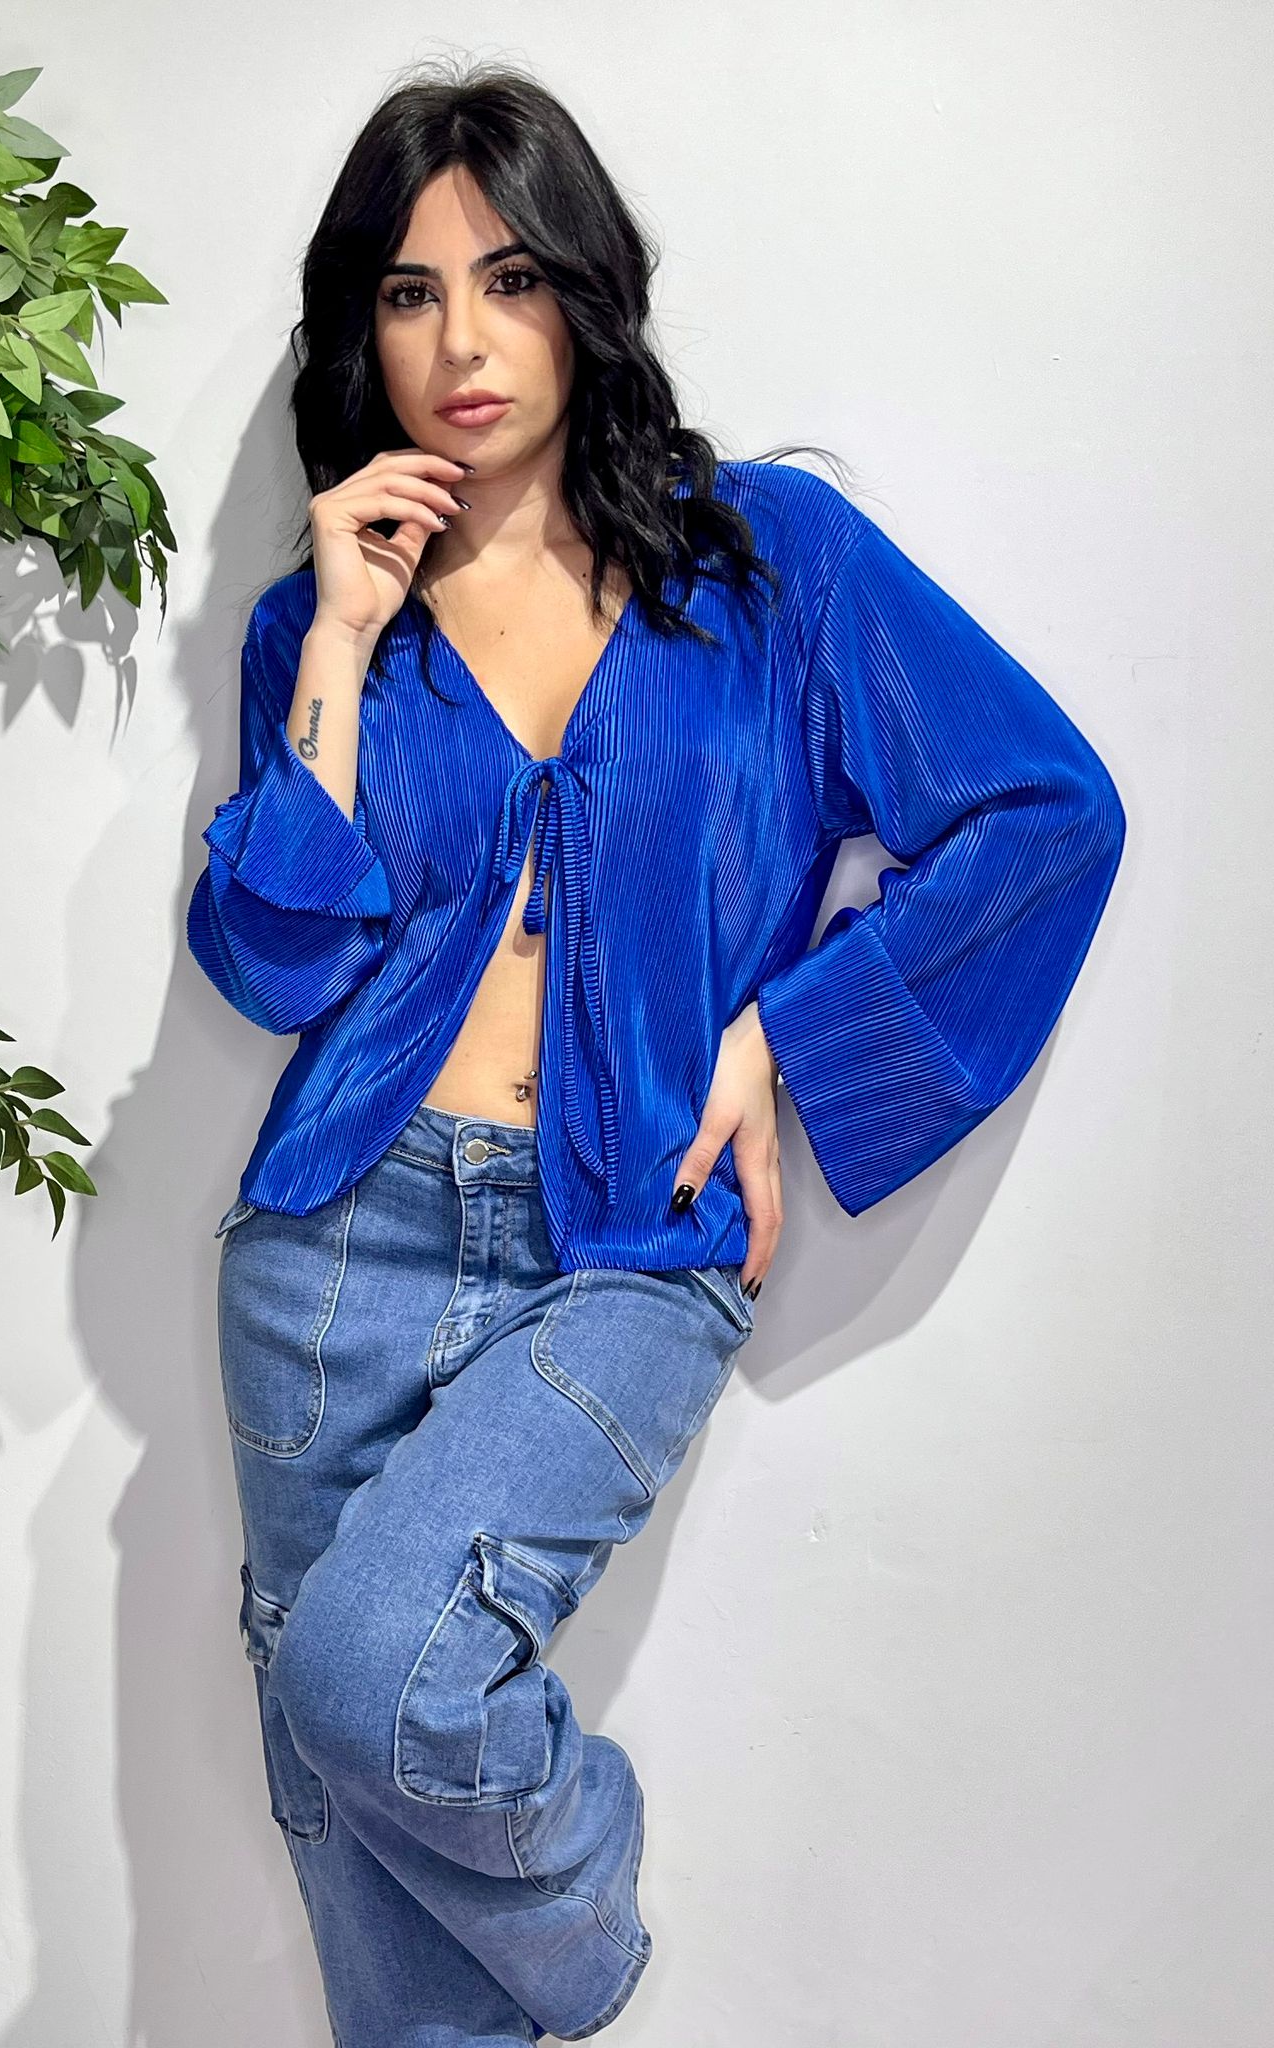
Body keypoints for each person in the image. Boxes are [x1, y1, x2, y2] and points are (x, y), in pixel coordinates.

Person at [186, 59, 1127, 2048]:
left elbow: (1045, 814)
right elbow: (272, 959)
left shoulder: (767, 565)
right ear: (362, 329)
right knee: (334, 1783)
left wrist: (792, 1035)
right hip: (338, 1238)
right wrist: (339, 645)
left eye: (510, 280)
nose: (462, 343)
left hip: (630, 1238)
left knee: (371, 1681)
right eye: (411, 293)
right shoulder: (323, 621)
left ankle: (589, 1926)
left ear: (585, 293)